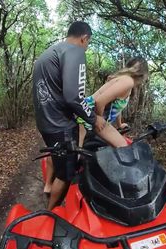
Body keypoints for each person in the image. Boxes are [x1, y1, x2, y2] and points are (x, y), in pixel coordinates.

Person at [33, 21, 127, 210]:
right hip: (61, 125)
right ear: (85, 38)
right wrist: (93, 118)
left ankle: (50, 193)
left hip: (45, 121)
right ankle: (51, 212)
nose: (86, 46)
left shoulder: (50, 53)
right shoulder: (75, 52)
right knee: (66, 174)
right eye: (88, 43)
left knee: (58, 158)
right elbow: (73, 96)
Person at [77, 56, 149, 145]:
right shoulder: (128, 81)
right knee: (124, 147)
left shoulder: (125, 80)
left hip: (91, 114)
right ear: (143, 73)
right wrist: (98, 120)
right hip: (87, 114)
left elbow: (116, 106)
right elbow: (100, 101)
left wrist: (119, 124)